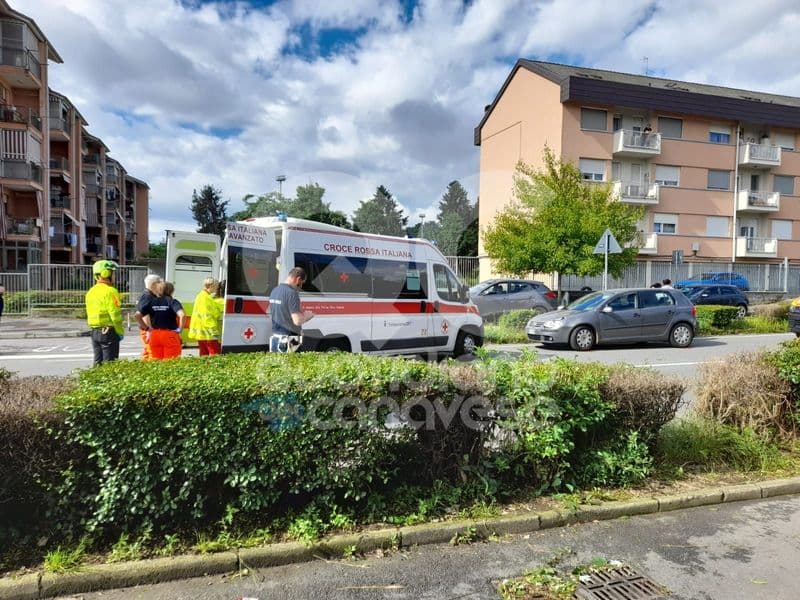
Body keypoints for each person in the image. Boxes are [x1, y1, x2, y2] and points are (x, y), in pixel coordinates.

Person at [85, 259, 124, 366]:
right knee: (110, 365)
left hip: (94, 332)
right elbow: (115, 315)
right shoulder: (111, 291)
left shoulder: (90, 292)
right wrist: (120, 332)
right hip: (109, 332)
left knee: (98, 363)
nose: (114, 276)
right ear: (106, 274)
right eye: (113, 273)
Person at [135, 280, 185, 360]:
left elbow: (137, 315)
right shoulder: (172, 302)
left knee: (155, 362)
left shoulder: (151, 301)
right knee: (171, 363)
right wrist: (180, 329)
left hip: (155, 335)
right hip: (169, 334)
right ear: (171, 291)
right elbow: (182, 315)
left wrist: (147, 328)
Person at [268, 267, 314, 353]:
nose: (300, 286)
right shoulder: (292, 293)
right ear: (298, 279)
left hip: (275, 338)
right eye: (301, 283)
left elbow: (279, 312)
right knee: (293, 365)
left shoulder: (274, 290)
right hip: (290, 339)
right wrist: (307, 316)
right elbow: (297, 321)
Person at [188, 277, 223, 356]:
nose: (217, 289)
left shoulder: (200, 295)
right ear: (211, 286)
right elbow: (207, 315)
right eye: (216, 286)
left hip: (201, 333)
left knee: (204, 355)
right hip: (208, 333)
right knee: (215, 355)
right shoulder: (206, 298)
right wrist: (213, 331)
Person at [136, 274, 162, 359]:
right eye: (159, 282)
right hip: (148, 329)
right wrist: (149, 330)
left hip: (147, 329)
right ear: (154, 284)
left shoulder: (148, 295)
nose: (161, 284)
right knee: (152, 353)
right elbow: (144, 315)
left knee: (148, 352)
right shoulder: (147, 296)